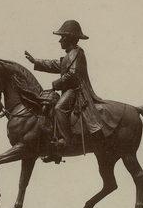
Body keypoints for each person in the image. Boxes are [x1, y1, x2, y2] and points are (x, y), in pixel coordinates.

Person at [25, 20, 112, 160]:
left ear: (69, 38)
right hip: (69, 90)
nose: (60, 40)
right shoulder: (69, 54)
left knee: (59, 108)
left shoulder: (77, 53)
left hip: (76, 91)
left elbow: (72, 74)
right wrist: (36, 61)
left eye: (62, 37)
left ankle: (66, 141)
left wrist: (55, 84)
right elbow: (56, 65)